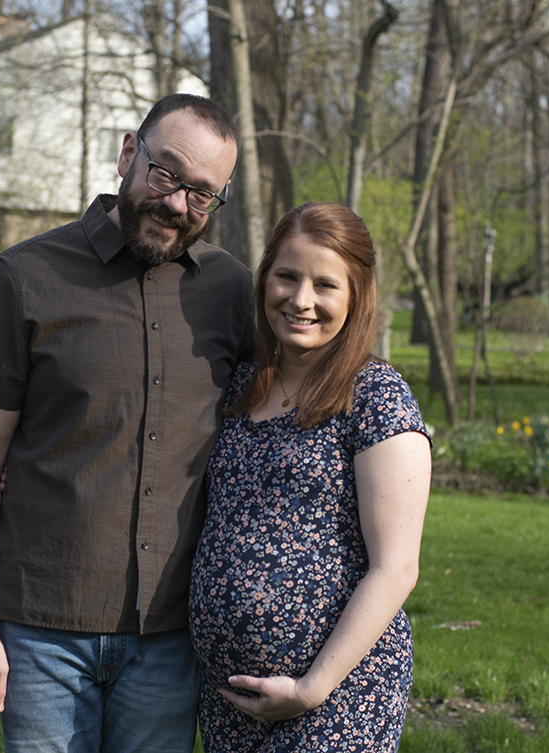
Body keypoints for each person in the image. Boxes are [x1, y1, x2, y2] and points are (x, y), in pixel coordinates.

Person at [0, 93, 253, 753]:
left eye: (202, 194)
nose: (176, 203)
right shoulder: (26, 276)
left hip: (171, 638)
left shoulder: (232, 292)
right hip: (41, 630)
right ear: (127, 152)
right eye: (166, 173)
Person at [189, 202, 432, 752]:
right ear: (265, 279)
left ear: (356, 296)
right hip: (229, 702)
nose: (301, 300)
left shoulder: (376, 396)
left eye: (325, 285)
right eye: (287, 276)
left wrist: (309, 688)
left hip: (334, 700)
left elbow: (396, 569)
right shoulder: (240, 383)